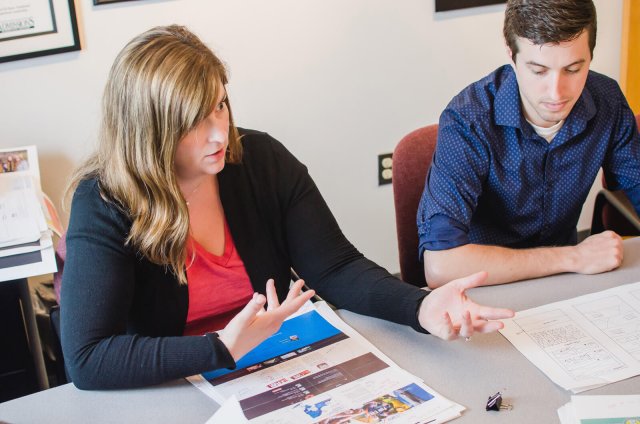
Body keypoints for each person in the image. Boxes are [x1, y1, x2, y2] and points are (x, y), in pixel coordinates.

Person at [61, 25, 513, 390]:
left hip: (274, 366)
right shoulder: (103, 201)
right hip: (173, 384)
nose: (220, 133)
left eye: (220, 105)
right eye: (195, 122)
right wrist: (220, 348)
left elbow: (335, 268)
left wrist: (421, 308)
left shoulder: (259, 160)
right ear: (151, 130)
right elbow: (88, 358)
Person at [418, 0, 640, 288]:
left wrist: (572, 262)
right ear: (512, 55)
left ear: (590, 56)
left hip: (565, 284)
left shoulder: (606, 100)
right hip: (488, 285)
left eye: (573, 69)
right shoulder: (468, 120)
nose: (556, 92)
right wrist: (573, 258)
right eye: (538, 70)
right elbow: (441, 266)